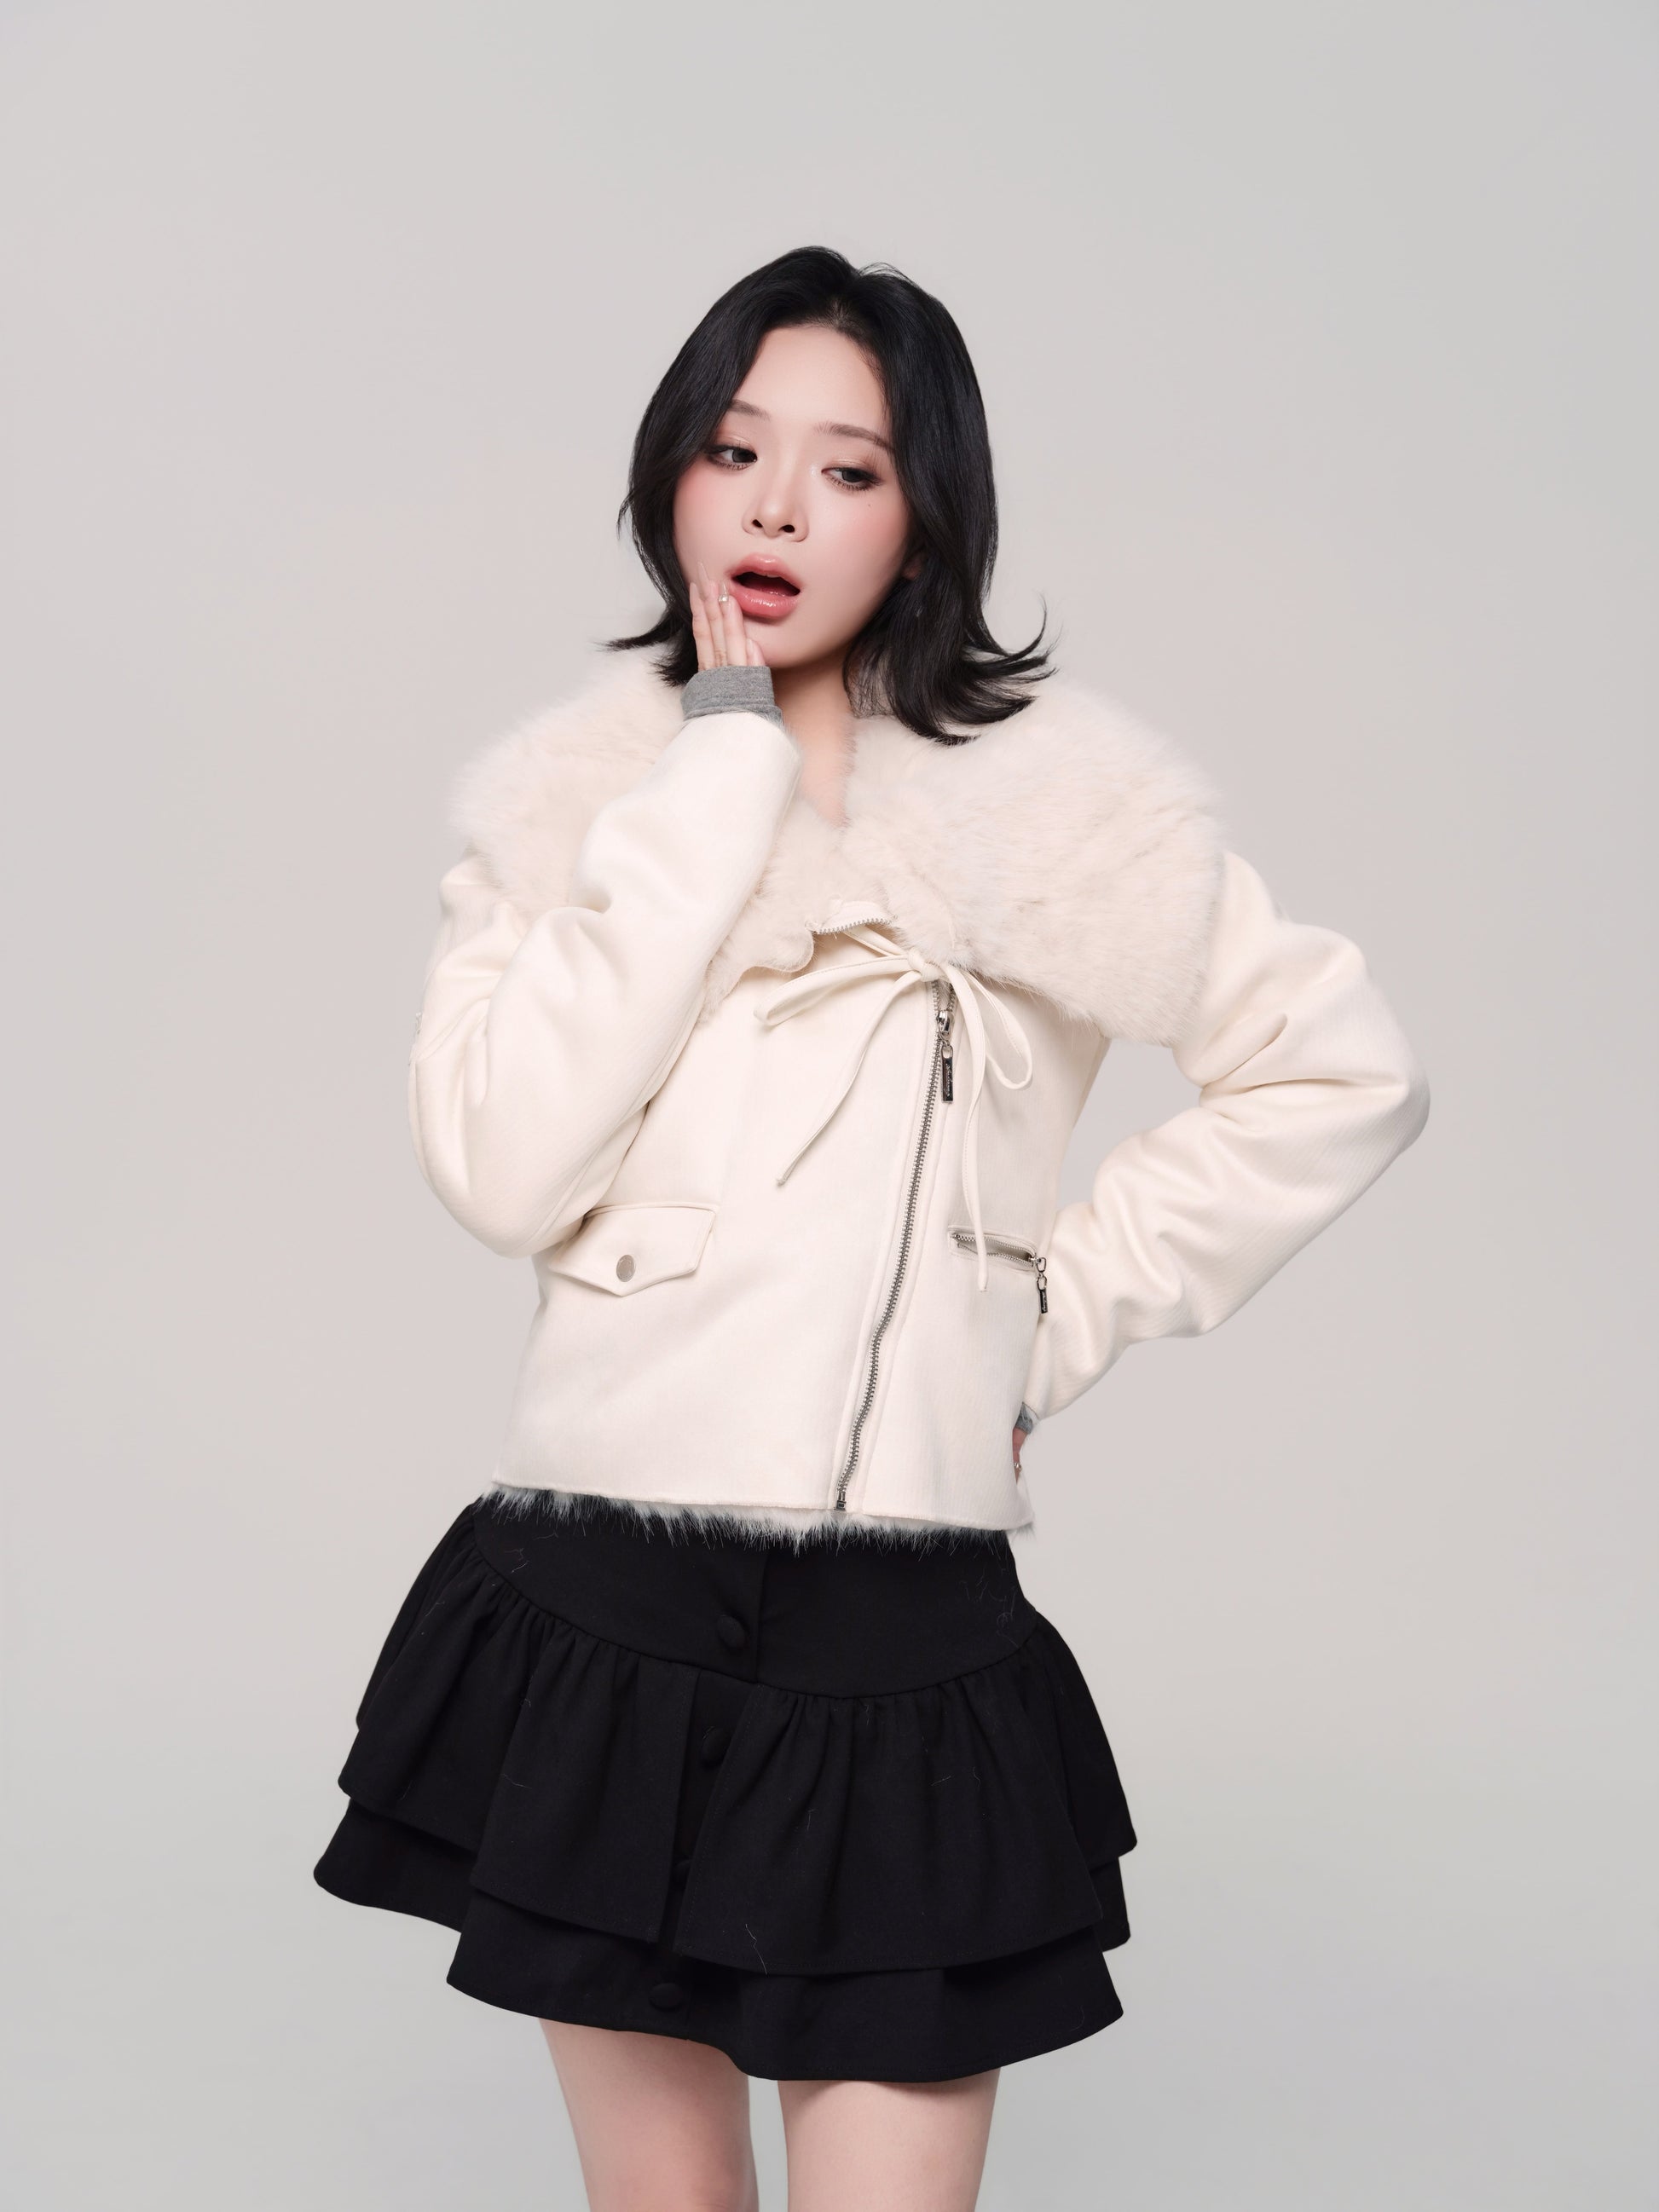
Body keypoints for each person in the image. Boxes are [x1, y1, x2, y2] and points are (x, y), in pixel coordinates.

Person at [314, 245, 1430, 2211]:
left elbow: (1338, 1069)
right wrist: (713, 776)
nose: (771, 508)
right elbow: (499, 1164)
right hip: (605, 1606)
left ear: (925, 518)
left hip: (897, 1640)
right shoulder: (577, 808)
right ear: (669, 473)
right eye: (732, 450)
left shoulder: (1055, 813)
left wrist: (1041, 1317)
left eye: (845, 469)